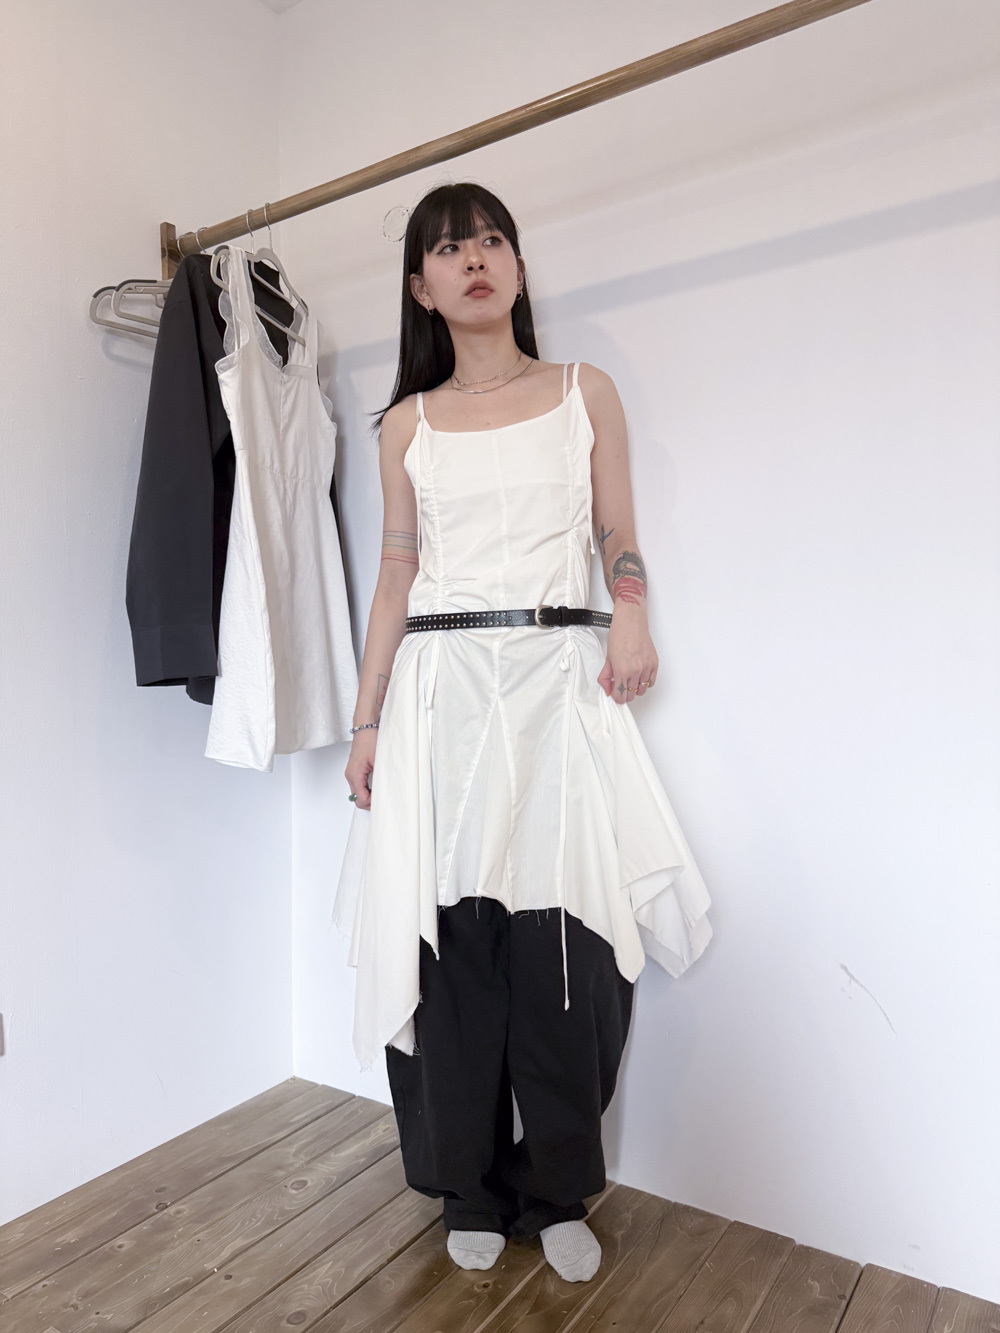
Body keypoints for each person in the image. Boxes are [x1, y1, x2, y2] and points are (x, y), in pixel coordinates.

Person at [336, 182, 713, 1284]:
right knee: (454, 938)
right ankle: (467, 1186)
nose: (476, 260)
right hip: (442, 694)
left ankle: (557, 1189)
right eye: (450, 249)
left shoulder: (582, 391)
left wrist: (631, 610)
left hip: (557, 682)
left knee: (568, 936)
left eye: (492, 240)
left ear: (516, 265)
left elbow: (615, 528)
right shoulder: (405, 425)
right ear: (421, 286)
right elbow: (394, 575)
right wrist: (366, 721)